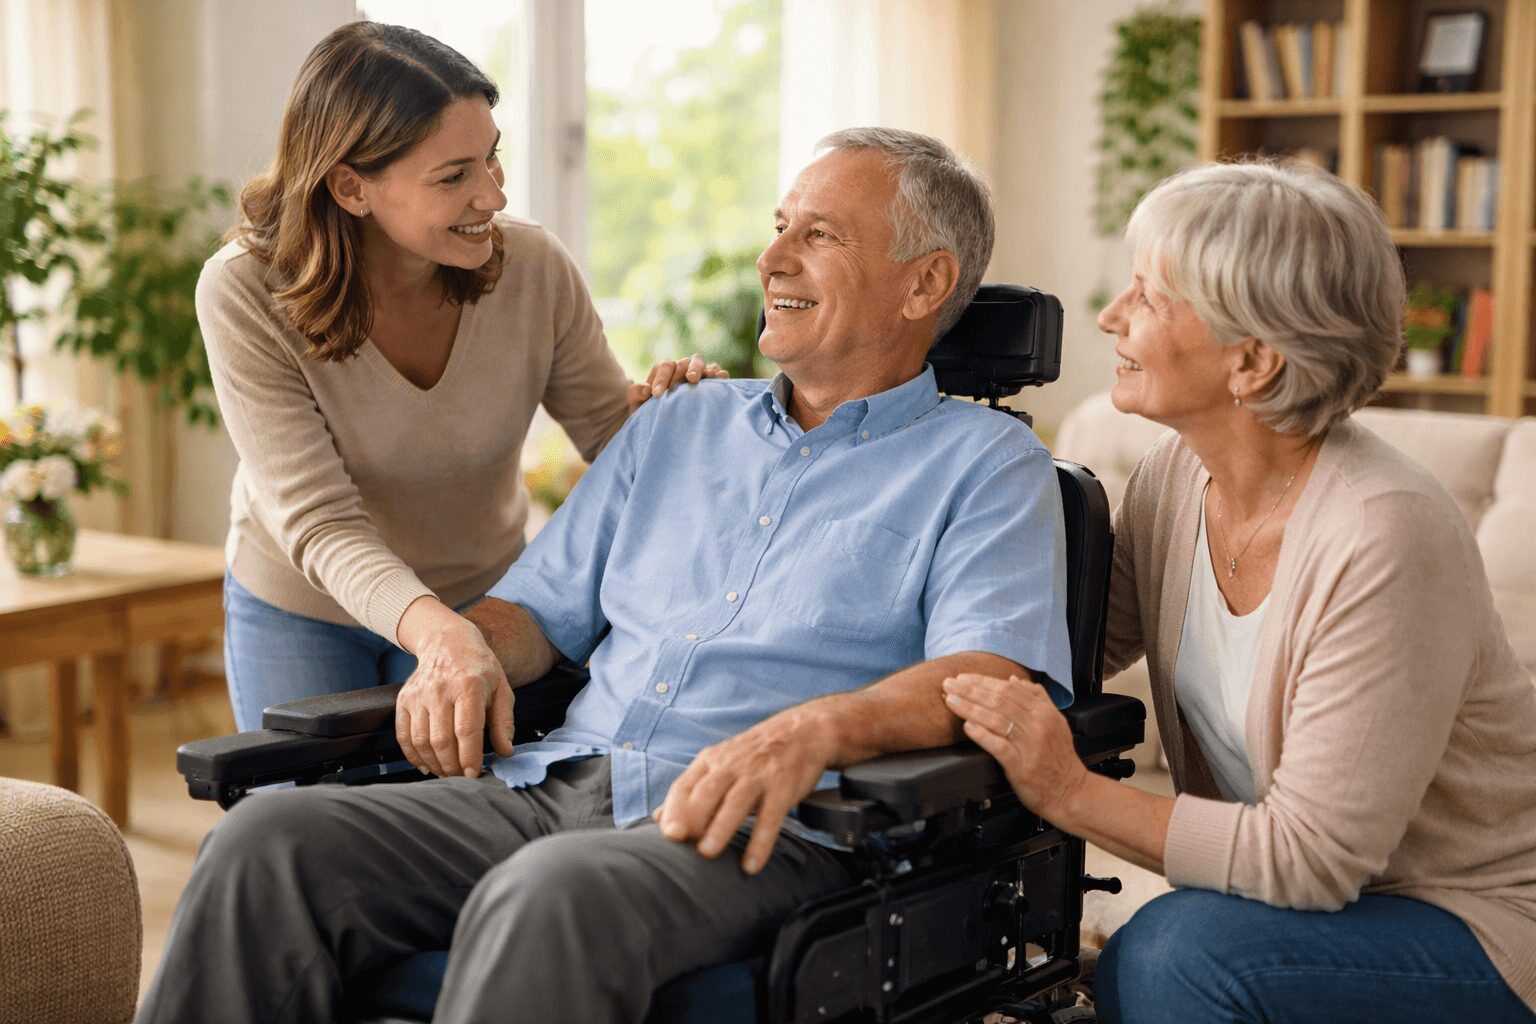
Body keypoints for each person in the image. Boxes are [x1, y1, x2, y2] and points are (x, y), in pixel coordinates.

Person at [138, 127, 1073, 1023]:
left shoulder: (989, 466)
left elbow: (988, 677)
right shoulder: (678, 424)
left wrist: (815, 730)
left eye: (818, 234)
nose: (774, 257)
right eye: (779, 226)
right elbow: (537, 614)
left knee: (550, 895)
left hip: (759, 824)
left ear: (927, 285)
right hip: (555, 783)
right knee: (266, 844)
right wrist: (457, 649)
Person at [944, 160, 1536, 1023]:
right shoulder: (1175, 479)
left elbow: (1310, 860)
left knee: (1175, 958)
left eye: (1147, 298)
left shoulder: (1384, 534)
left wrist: (1069, 791)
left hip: (1477, 919)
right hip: (1320, 910)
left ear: (1252, 362)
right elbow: (1053, 651)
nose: (1110, 316)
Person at [199, 21, 721, 731]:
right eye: (454, 177)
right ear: (352, 187)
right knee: (313, 827)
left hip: (485, 599)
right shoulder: (245, 291)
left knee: (458, 822)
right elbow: (319, 521)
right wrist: (437, 634)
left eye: (491, 160)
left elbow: (610, 436)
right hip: (307, 610)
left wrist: (679, 416)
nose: (494, 197)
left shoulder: (533, 269)